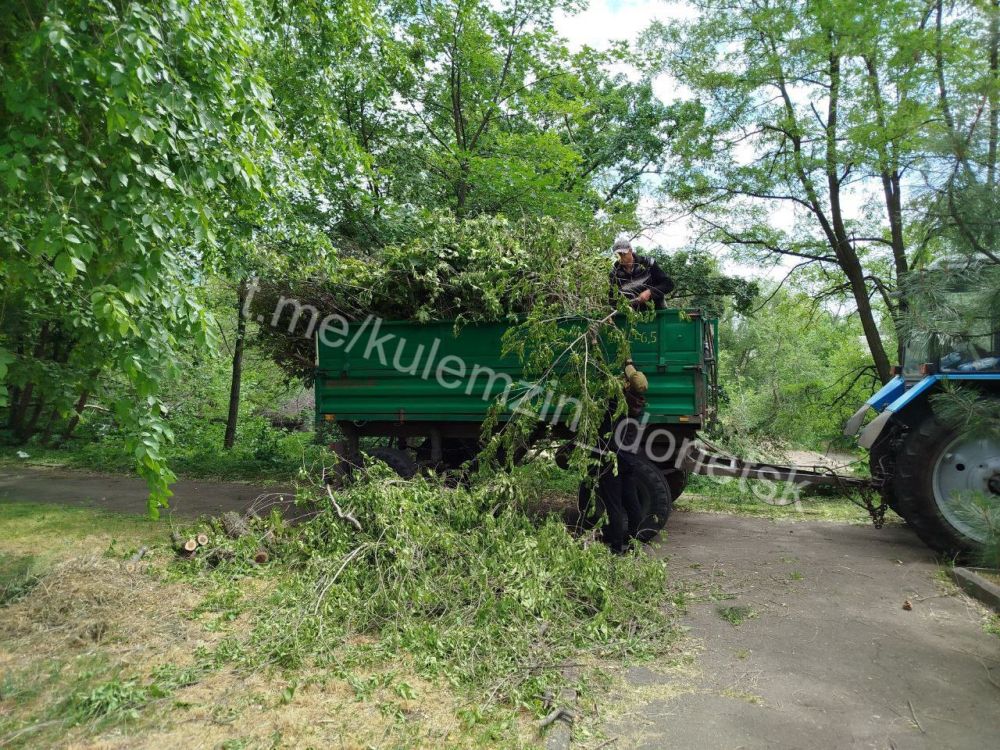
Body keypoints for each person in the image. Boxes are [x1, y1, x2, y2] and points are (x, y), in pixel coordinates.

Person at [594, 359, 649, 554]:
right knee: (632, 503)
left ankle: (616, 548)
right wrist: (628, 361)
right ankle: (634, 545)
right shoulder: (640, 404)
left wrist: (593, 344)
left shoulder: (617, 402)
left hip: (613, 459)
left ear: (627, 385)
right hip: (630, 460)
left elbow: (603, 377)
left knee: (614, 505)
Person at [608, 235, 675, 309]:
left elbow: (668, 284)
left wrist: (650, 292)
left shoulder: (648, 264)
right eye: (617, 255)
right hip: (631, 316)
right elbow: (612, 298)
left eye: (623, 254)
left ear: (630, 251)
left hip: (656, 312)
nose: (621, 257)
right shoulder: (614, 273)